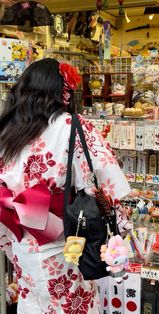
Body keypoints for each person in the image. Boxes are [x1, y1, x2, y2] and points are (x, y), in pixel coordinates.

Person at [0, 58, 131, 313]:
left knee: (32, 301)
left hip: (21, 242)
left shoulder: (7, 130)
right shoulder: (72, 126)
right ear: (64, 92)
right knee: (70, 305)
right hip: (64, 243)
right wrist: (121, 224)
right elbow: (103, 185)